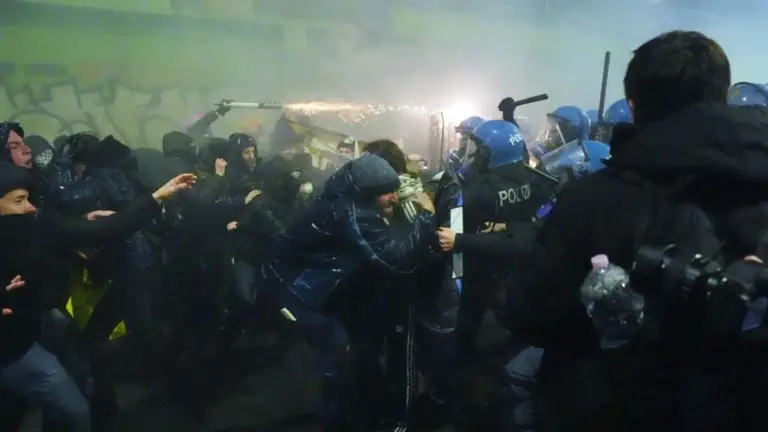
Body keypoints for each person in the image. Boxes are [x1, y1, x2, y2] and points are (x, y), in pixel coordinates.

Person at [505, 30, 768, 431]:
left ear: (633, 104)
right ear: (720, 95)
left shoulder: (593, 198)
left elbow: (529, 313)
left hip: (605, 407)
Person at [0, 161, 195, 432]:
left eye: (28, 198)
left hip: (34, 330)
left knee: (74, 398)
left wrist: (157, 196)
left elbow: (108, 228)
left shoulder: (40, 225)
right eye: (18, 201)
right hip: (12, 349)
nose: (30, 207)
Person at [260, 154, 436, 431]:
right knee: (338, 349)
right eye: (386, 193)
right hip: (301, 290)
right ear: (366, 193)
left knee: (352, 350)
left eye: (394, 190)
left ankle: (348, 408)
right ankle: (335, 419)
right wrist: (425, 216)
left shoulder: (338, 192)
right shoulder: (354, 213)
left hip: (301, 279)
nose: (394, 198)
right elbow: (397, 261)